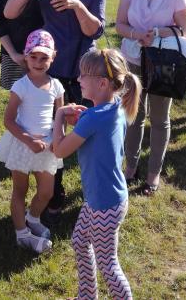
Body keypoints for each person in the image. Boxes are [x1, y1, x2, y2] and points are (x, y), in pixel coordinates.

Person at [4, 0, 105, 217]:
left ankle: (93, 192)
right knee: (52, 133)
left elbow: (94, 30)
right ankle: (54, 193)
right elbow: (9, 12)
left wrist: (77, 5)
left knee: (89, 134)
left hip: (85, 72)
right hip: (50, 70)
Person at [52, 48, 140, 300]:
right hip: (104, 198)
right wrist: (82, 120)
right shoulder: (116, 108)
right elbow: (94, 129)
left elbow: (59, 150)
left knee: (108, 264)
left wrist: (60, 116)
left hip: (104, 204)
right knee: (80, 242)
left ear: (102, 83)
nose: (78, 79)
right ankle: (87, 296)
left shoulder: (92, 118)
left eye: (83, 75)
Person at [115, 0, 186, 194]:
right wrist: (137, 35)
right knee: (133, 116)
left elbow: (184, 30)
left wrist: (157, 33)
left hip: (163, 62)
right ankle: (130, 167)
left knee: (159, 118)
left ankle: (153, 174)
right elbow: (120, 24)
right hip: (133, 60)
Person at [0, 29, 64, 253]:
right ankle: (21, 234)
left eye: (44, 57)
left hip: (47, 147)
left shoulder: (57, 86)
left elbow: (60, 117)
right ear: (26, 56)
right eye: (34, 57)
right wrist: (28, 140)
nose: (38, 62)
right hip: (23, 145)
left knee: (47, 192)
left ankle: (33, 218)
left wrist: (59, 139)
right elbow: (8, 120)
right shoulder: (20, 86)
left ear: (53, 57)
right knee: (20, 190)